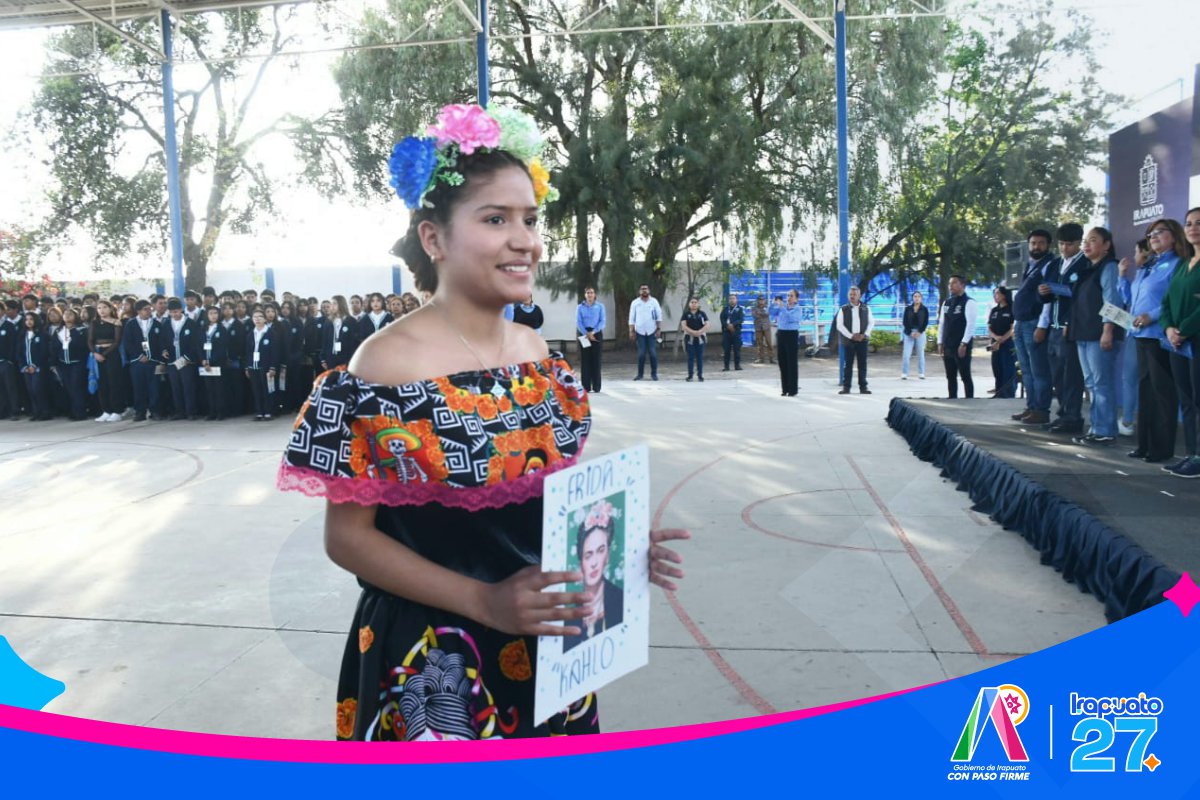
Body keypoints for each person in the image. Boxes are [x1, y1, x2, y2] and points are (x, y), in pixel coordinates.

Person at [277, 104, 686, 741]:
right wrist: (484, 600)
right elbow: (348, 540)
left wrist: (612, 547)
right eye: (496, 219)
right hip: (434, 656)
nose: (525, 241)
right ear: (434, 239)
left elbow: (545, 509)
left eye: (530, 219)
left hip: (547, 644)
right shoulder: (384, 365)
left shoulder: (537, 357)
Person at [1124, 218, 1186, 464]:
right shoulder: (1149, 264)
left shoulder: (1178, 263)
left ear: (1174, 235)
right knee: (1146, 390)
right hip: (1140, 335)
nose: (1154, 237)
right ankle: (1145, 444)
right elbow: (1132, 297)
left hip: (1160, 335)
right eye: (1151, 234)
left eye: (1160, 232)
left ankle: (1161, 448)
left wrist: (1152, 316)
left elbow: (1174, 300)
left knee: (1162, 392)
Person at [1069, 227, 1123, 446]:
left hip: (1100, 334)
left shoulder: (1109, 267)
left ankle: (1106, 431)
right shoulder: (1087, 269)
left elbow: (1113, 301)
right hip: (1083, 333)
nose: (1087, 245)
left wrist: (1108, 330)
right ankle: (1096, 428)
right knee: (1091, 384)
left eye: (1093, 240)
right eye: (1085, 241)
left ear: (1106, 245)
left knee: (1101, 384)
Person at [1160, 207, 1200, 477]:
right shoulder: (1184, 265)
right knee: (1186, 399)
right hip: (1178, 343)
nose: (1193, 228)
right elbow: (1166, 303)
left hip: (1193, 339)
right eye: (1189, 223)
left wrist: (1183, 329)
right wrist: (1169, 329)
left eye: (1199, 223)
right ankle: (1191, 454)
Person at [561, 500, 625, 654]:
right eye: (588, 555)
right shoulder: (567, 617)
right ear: (580, 561)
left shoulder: (622, 601)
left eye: (600, 551)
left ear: (607, 555)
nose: (594, 563)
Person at [1042, 223, 1087, 434]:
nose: (1064, 248)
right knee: (1057, 375)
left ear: (1079, 243)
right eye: (1061, 244)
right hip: (1053, 326)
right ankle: (1062, 413)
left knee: (1072, 376)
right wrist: (1043, 292)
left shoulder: (1085, 263)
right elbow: (1046, 293)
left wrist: (1070, 322)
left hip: (1070, 327)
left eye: (1069, 244)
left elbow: (1082, 296)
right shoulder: (1055, 264)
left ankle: (1073, 416)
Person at [1011, 229, 1055, 424]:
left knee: (1039, 370)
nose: (1037, 247)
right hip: (1021, 322)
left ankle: (1041, 410)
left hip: (1035, 322)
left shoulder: (1050, 264)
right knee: (1026, 370)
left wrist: (1042, 326)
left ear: (1048, 245)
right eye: (1033, 243)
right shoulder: (1029, 265)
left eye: (1041, 243)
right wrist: (1015, 323)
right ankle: (1031, 407)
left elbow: (1048, 299)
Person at [1116, 238, 1151, 437]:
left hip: (1153, 333)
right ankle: (1128, 420)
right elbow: (1128, 299)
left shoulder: (1160, 272)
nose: (1134, 256)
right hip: (1134, 332)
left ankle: (1147, 422)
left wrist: (1150, 316)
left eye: (1137, 252)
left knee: (1150, 381)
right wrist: (1122, 276)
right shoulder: (1139, 273)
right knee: (1129, 378)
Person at [156, 298, 202, 420]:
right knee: (175, 387)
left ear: (181, 310)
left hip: (186, 361)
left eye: (176, 311)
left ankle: (191, 411)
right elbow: (162, 340)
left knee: (188, 386)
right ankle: (179, 411)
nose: (174, 314)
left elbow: (195, 343)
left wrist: (187, 357)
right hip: (172, 361)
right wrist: (164, 350)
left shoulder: (190, 323)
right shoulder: (166, 324)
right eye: (172, 312)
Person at [937, 276, 978, 399]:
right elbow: (942, 323)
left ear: (962, 285)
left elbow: (970, 325)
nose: (951, 286)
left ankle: (969, 400)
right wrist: (940, 342)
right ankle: (952, 399)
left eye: (954, 283)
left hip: (961, 345)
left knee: (965, 375)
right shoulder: (947, 302)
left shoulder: (969, 302)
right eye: (950, 283)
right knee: (950, 376)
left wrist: (964, 343)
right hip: (948, 345)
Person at [122, 300, 161, 422]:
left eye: (150, 309)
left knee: (154, 387)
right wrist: (139, 355)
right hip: (137, 361)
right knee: (139, 387)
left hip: (153, 360)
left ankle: (155, 411)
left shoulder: (156, 323)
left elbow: (160, 342)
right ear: (138, 311)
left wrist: (158, 357)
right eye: (145, 309)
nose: (148, 311)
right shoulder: (131, 324)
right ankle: (140, 412)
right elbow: (127, 343)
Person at [89, 299, 125, 422]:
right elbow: (90, 340)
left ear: (110, 308)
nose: (102, 310)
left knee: (114, 382)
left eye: (104, 307)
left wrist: (104, 354)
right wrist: (95, 353)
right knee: (102, 382)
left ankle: (117, 410)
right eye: (99, 308)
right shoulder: (94, 323)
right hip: (97, 353)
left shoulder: (116, 322)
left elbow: (117, 341)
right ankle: (106, 410)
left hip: (112, 353)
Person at [52, 307, 89, 420]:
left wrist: (71, 334)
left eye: (70, 314)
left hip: (77, 363)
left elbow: (83, 346)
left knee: (76, 386)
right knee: (68, 387)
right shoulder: (58, 331)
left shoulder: (81, 330)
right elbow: (54, 348)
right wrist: (53, 363)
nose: (67, 316)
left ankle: (80, 412)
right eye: (65, 314)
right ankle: (73, 410)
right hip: (63, 363)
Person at [836, 286, 873, 395]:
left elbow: (871, 322)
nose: (852, 296)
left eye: (854, 294)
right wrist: (851, 336)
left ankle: (863, 387)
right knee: (848, 365)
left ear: (859, 296)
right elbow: (839, 325)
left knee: (862, 364)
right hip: (849, 341)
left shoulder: (866, 308)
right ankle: (846, 387)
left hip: (862, 340)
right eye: (850, 294)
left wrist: (865, 335)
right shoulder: (843, 309)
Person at [245, 309, 279, 421]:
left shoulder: (271, 333)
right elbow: (247, 352)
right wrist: (247, 367)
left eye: (260, 316)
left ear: (265, 319)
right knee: (256, 390)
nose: (257, 319)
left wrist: (273, 367)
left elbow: (275, 352)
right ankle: (259, 412)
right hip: (253, 366)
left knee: (267, 389)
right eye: (255, 317)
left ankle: (269, 411)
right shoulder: (250, 334)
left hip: (266, 366)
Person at [16, 312, 51, 420]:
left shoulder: (42, 334)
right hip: (26, 368)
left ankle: (45, 412)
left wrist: (35, 365)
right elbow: (19, 352)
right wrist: (24, 366)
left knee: (38, 389)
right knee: (30, 390)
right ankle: (36, 412)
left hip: (39, 367)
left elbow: (44, 352)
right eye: (26, 319)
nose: (29, 322)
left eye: (31, 319)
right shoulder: (22, 335)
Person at [200, 306, 232, 421]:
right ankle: (212, 411)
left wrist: (211, 361)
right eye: (211, 313)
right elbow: (198, 345)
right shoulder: (203, 329)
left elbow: (222, 348)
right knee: (209, 388)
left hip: (218, 363)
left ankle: (221, 411)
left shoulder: (222, 329)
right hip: (205, 364)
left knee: (219, 388)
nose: (213, 316)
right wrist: (203, 359)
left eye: (215, 313)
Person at [987, 287, 1017, 398]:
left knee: (1008, 369)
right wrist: (995, 338)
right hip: (995, 344)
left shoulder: (1011, 309)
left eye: (997, 293)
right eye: (994, 294)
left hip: (1008, 344)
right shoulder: (994, 310)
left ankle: (1008, 394)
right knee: (997, 369)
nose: (995, 296)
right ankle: (999, 392)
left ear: (1004, 295)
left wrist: (1001, 339)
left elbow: (1013, 328)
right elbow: (989, 327)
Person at [628, 283, 662, 381]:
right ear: (639, 291)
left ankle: (654, 374)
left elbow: (659, 316)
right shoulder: (635, 303)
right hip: (640, 331)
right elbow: (631, 318)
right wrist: (631, 331)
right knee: (641, 354)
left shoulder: (654, 301)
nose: (644, 290)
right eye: (642, 289)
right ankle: (640, 374)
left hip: (652, 331)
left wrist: (658, 328)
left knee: (653, 353)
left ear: (649, 290)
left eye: (646, 289)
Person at [575, 286, 605, 393]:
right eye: (588, 293)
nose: (590, 294)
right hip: (584, 334)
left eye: (591, 292)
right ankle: (586, 386)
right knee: (585, 360)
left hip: (596, 333)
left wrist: (593, 332)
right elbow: (578, 322)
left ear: (594, 294)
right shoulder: (580, 307)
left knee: (596, 359)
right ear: (585, 295)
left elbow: (602, 321)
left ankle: (596, 386)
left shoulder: (600, 306)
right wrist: (586, 333)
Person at [321, 295, 360, 372]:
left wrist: (352, 359)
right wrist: (323, 358)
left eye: (334, 303)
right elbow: (324, 341)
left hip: (346, 358)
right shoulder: (328, 321)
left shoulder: (351, 321)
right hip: (331, 357)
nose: (332, 306)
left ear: (341, 304)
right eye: (331, 304)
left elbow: (354, 342)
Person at [776, 288, 803, 396]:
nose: (789, 298)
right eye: (788, 295)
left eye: (791, 296)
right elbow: (771, 313)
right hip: (781, 333)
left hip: (791, 335)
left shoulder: (798, 309)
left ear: (796, 298)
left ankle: (792, 389)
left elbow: (791, 318)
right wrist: (774, 304)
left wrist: (782, 308)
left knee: (791, 362)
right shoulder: (782, 307)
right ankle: (785, 389)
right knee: (782, 361)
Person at [0, 301, 21, 419]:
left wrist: (10, 360)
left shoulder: (9, 325)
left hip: (6, 362)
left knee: (10, 387)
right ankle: (3, 411)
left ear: (3, 311)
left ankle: (15, 410)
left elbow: (13, 344)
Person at [900, 290, 928, 380]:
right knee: (906, 354)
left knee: (920, 353)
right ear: (912, 298)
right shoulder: (908, 309)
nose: (917, 298)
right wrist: (910, 332)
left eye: (918, 296)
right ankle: (904, 373)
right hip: (909, 333)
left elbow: (925, 322)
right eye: (915, 296)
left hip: (920, 333)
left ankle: (921, 373)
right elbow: (905, 322)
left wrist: (920, 332)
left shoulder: (924, 309)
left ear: (921, 298)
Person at [680, 296, 708, 382]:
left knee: (700, 357)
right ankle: (690, 376)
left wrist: (699, 332)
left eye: (695, 302)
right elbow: (683, 325)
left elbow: (707, 325)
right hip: (689, 338)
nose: (694, 304)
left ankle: (700, 375)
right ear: (689, 304)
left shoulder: (702, 314)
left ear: (698, 304)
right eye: (692, 302)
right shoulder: (686, 314)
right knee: (690, 357)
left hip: (700, 338)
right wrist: (693, 332)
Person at [720, 294, 744, 371]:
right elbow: (722, 319)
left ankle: (737, 366)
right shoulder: (725, 309)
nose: (732, 300)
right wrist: (727, 325)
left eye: (733, 298)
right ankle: (726, 366)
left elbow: (741, 319)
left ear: (736, 300)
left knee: (737, 349)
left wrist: (733, 324)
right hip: (726, 332)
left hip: (736, 331)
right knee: (726, 350)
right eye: (730, 298)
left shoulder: (739, 309)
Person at [751, 295, 774, 364]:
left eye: (762, 300)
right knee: (760, 343)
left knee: (769, 343)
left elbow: (767, 314)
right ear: (758, 301)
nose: (761, 301)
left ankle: (771, 358)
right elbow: (755, 315)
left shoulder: (767, 307)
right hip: (758, 327)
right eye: (760, 300)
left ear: (764, 301)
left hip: (766, 327)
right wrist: (763, 314)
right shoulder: (754, 308)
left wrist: (760, 313)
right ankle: (761, 358)